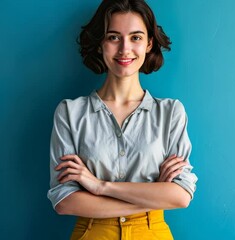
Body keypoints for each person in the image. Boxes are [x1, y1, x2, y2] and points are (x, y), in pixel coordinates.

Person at [47, 0, 197, 239]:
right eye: (113, 37)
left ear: (149, 43)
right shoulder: (70, 113)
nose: (125, 49)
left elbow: (181, 195)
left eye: (136, 37)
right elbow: (64, 200)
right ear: (99, 44)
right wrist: (153, 194)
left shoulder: (171, 113)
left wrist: (99, 186)